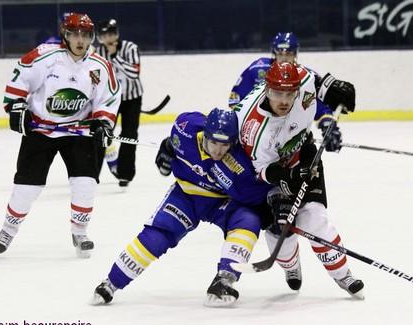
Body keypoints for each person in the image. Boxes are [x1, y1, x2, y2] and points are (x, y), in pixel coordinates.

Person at [92, 108, 273, 307]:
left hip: (223, 203)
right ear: (205, 134)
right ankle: (111, 283)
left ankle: (224, 280)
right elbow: (174, 140)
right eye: (214, 142)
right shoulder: (186, 128)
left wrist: (268, 206)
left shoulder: (241, 165)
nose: (218, 151)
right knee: (157, 235)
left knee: (249, 221)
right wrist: (167, 147)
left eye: (225, 145)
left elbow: (256, 194)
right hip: (186, 196)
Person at [0, 13, 121, 258]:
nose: (80, 39)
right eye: (75, 34)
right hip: (41, 129)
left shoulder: (99, 66)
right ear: (65, 35)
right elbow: (19, 82)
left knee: (85, 183)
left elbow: (108, 98)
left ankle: (80, 231)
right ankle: (8, 229)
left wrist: (103, 123)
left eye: (85, 34)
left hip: (79, 131)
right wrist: (17, 107)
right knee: (26, 187)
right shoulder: (45, 57)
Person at [233, 61, 364, 298]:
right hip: (268, 174)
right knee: (279, 231)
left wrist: (331, 87)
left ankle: (343, 274)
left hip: (303, 155)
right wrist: (286, 178)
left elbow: (312, 77)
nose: (283, 100)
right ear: (266, 89)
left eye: (289, 94)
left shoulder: (301, 79)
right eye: (276, 93)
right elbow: (261, 170)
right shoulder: (253, 128)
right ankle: (291, 266)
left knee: (315, 220)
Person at [229, 32, 343, 154]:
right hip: (256, 132)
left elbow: (322, 108)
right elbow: (236, 100)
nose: (284, 58)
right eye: (280, 53)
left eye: (288, 54)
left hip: (290, 133)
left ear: (295, 54)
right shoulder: (258, 69)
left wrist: (329, 127)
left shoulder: (307, 78)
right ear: (274, 53)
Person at [95, 18, 143, 187]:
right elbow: (95, 77)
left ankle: (125, 174)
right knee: (101, 134)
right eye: (105, 35)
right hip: (109, 100)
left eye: (111, 33)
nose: (108, 38)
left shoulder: (131, 48)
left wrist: (115, 56)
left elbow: (134, 73)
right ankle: (91, 174)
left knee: (129, 135)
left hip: (132, 98)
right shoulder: (98, 52)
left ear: (116, 33)